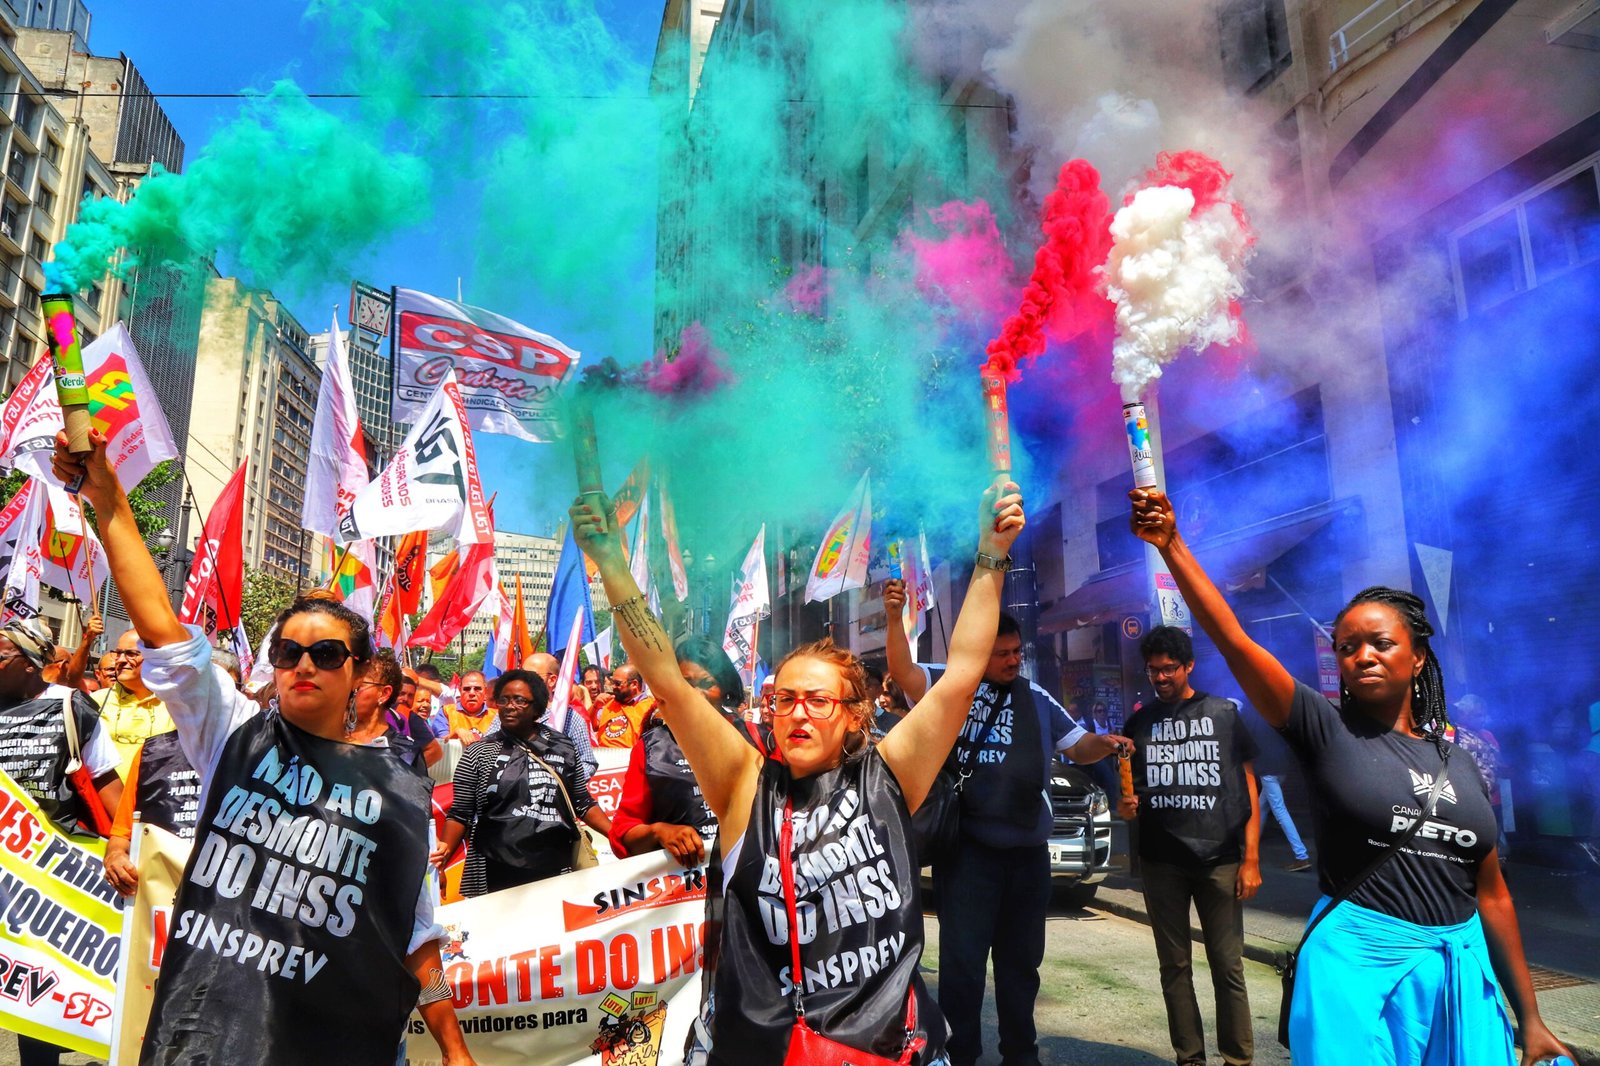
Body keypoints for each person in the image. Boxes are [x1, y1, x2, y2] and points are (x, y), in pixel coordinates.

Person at [55, 429, 474, 1066]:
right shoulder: (233, 734)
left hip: (340, 1043)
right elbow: (161, 627)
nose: (303, 665)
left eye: (326, 653)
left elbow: (418, 938)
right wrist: (107, 497)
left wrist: (454, 1048)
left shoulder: (400, 793)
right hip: (216, 1036)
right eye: (287, 651)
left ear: (360, 672)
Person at [575, 479, 1025, 1065]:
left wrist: (992, 554)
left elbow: (962, 674)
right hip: (758, 1048)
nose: (799, 714)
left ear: (855, 715)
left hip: (884, 1048)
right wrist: (611, 563)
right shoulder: (744, 783)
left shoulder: (889, 777)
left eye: (819, 700)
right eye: (785, 700)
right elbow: (666, 680)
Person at [1128, 487, 1570, 1065]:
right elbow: (1235, 641)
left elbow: (1493, 896)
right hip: (1355, 975)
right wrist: (1172, 545)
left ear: (1417, 657)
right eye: (1347, 647)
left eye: (1381, 643)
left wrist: (1530, 1019)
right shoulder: (1325, 729)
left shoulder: (1459, 760)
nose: (1362, 655)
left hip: (1459, 981)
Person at [883, 584, 1130, 1066]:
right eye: (1002, 653)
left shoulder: (1036, 696)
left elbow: (1077, 744)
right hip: (968, 857)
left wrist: (1104, 745)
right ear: (979, 652)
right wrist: (895, 619)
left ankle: (1021, 1054)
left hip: (1028, 859)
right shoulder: (950, 684)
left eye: (1017, 651)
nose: (1013, 660)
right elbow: (904, 672)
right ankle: (960, 1055)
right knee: (963, 966)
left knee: (1021, 966)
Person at [1119, 625, 1261, 1066]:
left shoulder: (1223, 714)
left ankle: (1237, 1059)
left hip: (1220, 859)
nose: (1160, 677)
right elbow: (1130, 797)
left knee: (1228, 965)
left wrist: (1252, 858)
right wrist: (1125, 808)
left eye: (1169, 669)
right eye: (1153, 670)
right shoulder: (1139, 722)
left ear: (1189, 666)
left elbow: (1248, 786)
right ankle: (1190, 1059)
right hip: (1161, 862)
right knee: (1174, 966)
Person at [0, 617, 124, 1066]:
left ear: (30, 662)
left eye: (0, 656)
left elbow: (108, 784)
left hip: (52, 873)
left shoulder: (71, 707)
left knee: (36, 993)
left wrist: (129, 848)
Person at [432, 670, 611, 895]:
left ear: (537, 707)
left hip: (554, 868)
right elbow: (460, 814)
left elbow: (582, 802)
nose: (510, 706)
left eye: (519, 700)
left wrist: (617, 836)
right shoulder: (478, 753)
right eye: (504, 700)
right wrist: (442, 860)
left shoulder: (562, 747)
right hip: (492, 870)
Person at [608, 638, 749, 864]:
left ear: (724, 688)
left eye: (707, 683)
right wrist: (659, 832)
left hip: (751, 877)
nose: (696, 693)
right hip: (688, 881)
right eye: (686, 683)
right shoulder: (652, 749)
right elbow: (623, 833)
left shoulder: (753, 738)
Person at [1240, 696, 1311, 872]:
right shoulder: (1274, 715)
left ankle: (1301, 855)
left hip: (1268, 770)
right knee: (1261, 807)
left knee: (1279, 811)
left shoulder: (1254, 718)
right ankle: (1250, 846)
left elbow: (1248, 741)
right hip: (1281, 768)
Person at [94, 628, 176, 781]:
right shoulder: (96, 701)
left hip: (157, 793)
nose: (120, 660)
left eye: (131, 654)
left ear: (154, 657)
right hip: (106, 795)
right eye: (118, 653)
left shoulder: (175, 703)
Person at [522, 651, 600, 775]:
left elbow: (587, 763)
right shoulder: (508, 713)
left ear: (552, 680)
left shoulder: (571, 718)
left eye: (530, 676)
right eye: (520, 675)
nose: (522, 681)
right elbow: (490, 750)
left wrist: (563, 780)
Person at [593, 662, 655, 748]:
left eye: (617, 683)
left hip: (630, 754)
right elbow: (592, 726)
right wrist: (595, 707)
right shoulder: (609, 702)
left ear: (634, 684)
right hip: (602, 752)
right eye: (612, 682)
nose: (613, 687)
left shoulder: (651, 707)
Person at [444, 669, 496, 744]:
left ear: (485, 691)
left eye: (477, 689)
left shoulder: (497, 716)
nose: (472, 693)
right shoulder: (445, 712)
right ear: (460, 690)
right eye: (467, 689)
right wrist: (455, 733)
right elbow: (440, 743)